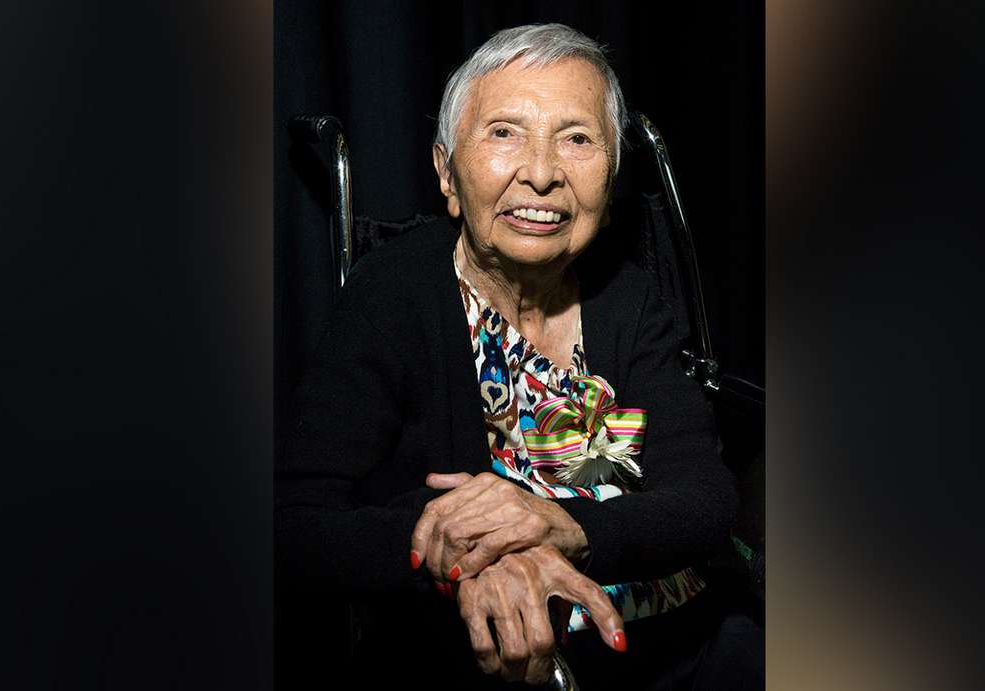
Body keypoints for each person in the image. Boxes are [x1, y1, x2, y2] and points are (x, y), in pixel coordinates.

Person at [276, 22, 763, 689]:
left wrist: (561, 521)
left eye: (577, 138)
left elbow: (705, 499)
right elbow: (294, 526)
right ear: (447, 172)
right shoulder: (391, 296)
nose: (541, 173)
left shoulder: (629, 296)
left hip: (674, 637)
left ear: (612, 172)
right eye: (504, 132)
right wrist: (458, 556)